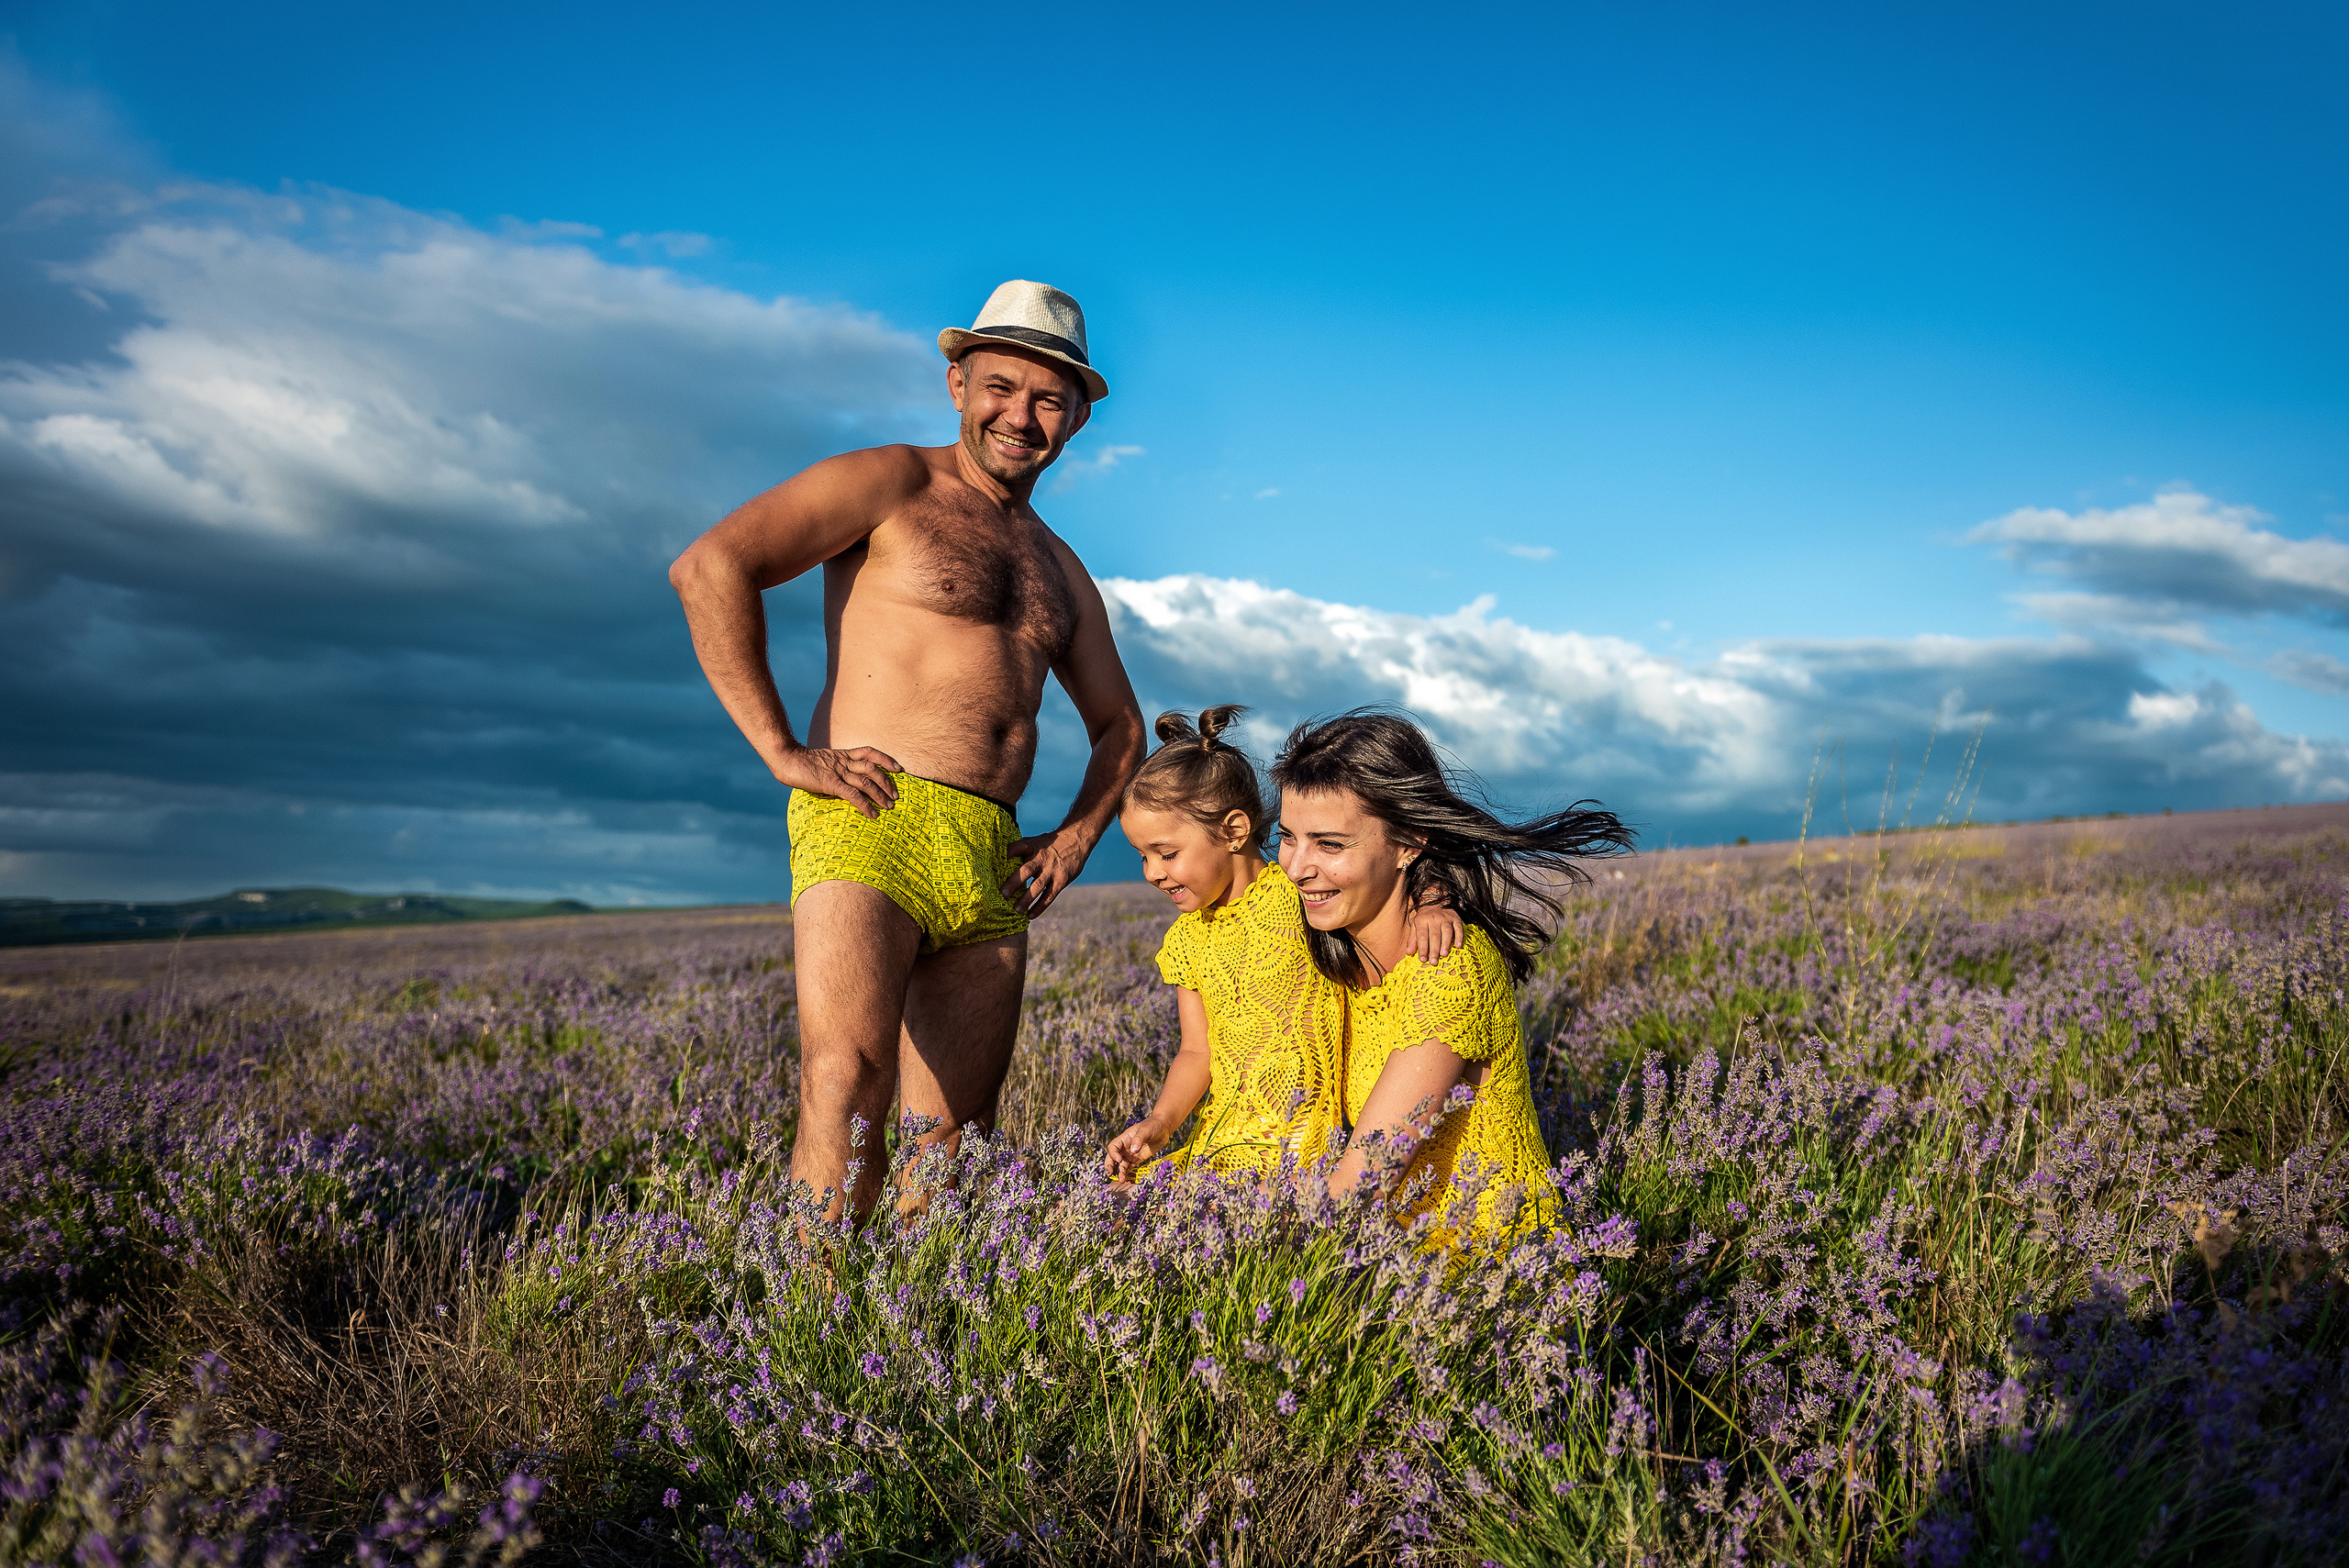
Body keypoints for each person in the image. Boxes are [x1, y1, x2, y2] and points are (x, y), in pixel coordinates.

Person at [669, 280, 1147, 1219]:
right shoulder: (891, 481)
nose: (1021, 416)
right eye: (1000, 387)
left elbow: (1122, 725)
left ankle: (910, 1310)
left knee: (954, 1138)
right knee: (844, 1083)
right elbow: (712, 565)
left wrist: (1075, 837)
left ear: (1079, 418)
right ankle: (812, 1304)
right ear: (957, 383)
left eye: (1049, 400)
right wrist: (781, 748)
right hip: (870, 815)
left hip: (991, 849)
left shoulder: (1060, 566)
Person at [1271, 711, 1633, 1246]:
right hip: (1388, 1256)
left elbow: (1359, 1187)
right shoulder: (1333, 950)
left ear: (1408, 842)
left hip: (1486, 1267)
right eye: (1287, 837)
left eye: (1329, 844)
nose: (1296, 867)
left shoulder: (1451, 969)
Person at [1103, 707, 1463, 1183]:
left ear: (1234, 831)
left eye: (1166, 853)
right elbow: (1196, 1052)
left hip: (1306, 1144)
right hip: (1224, 1142)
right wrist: (1161, 1122)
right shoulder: (1186, 941)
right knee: (1113, 1199)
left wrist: (1433, 900)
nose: (1152, 872)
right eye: (1142, 857)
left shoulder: (1300, 897)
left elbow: (1379, 891)